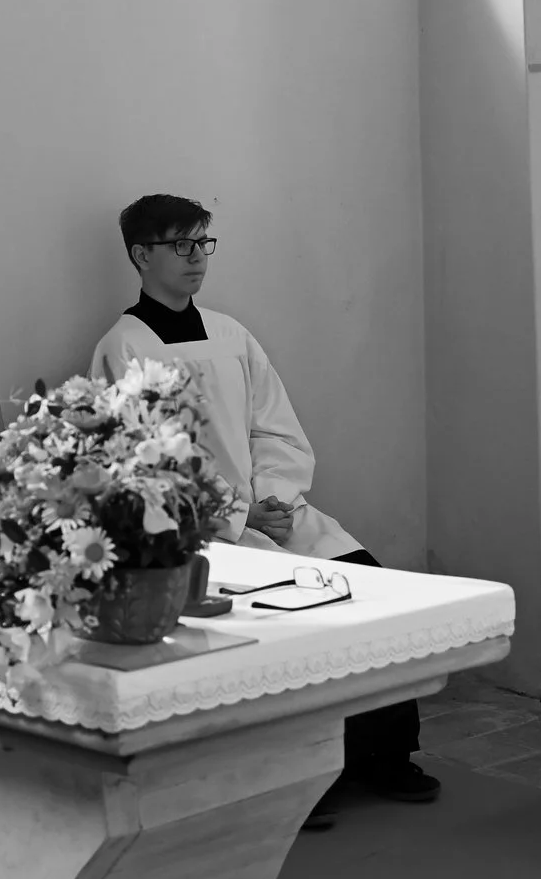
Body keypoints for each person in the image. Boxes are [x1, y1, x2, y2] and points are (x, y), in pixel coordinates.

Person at [90, 195, 438, 825]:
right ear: (142, 255)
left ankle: (385, 753)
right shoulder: (125, 348)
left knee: (369, 584)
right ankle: (301, 780)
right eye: (181, 245)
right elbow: (142, 466)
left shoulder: (231, 335)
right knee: (290, 626)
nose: (198, 258)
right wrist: (234, 519)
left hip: (273, 514)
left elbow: (275, 431)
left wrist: (273, 500)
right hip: (198, 534)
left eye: (204, 243)